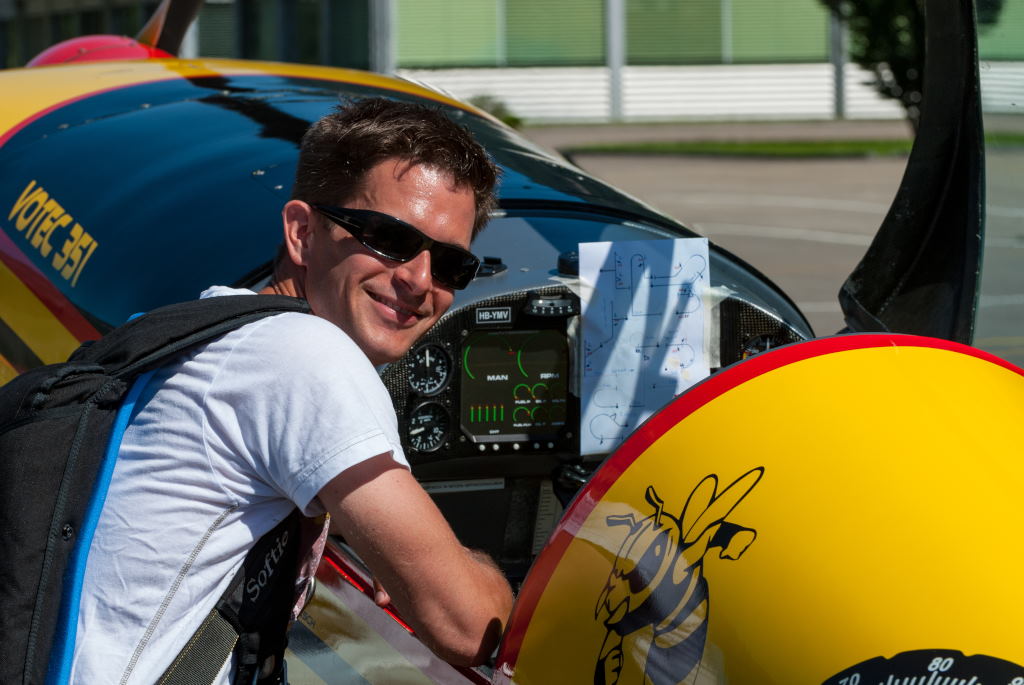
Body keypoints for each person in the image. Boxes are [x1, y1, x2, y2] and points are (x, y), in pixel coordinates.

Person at [70, 97, 513, 683]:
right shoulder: (305, 356)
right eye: (389, 238)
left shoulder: (209, 328)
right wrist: (472, 567)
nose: (420, 280)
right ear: (303, 233)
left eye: (452, 265)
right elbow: (467, 626)